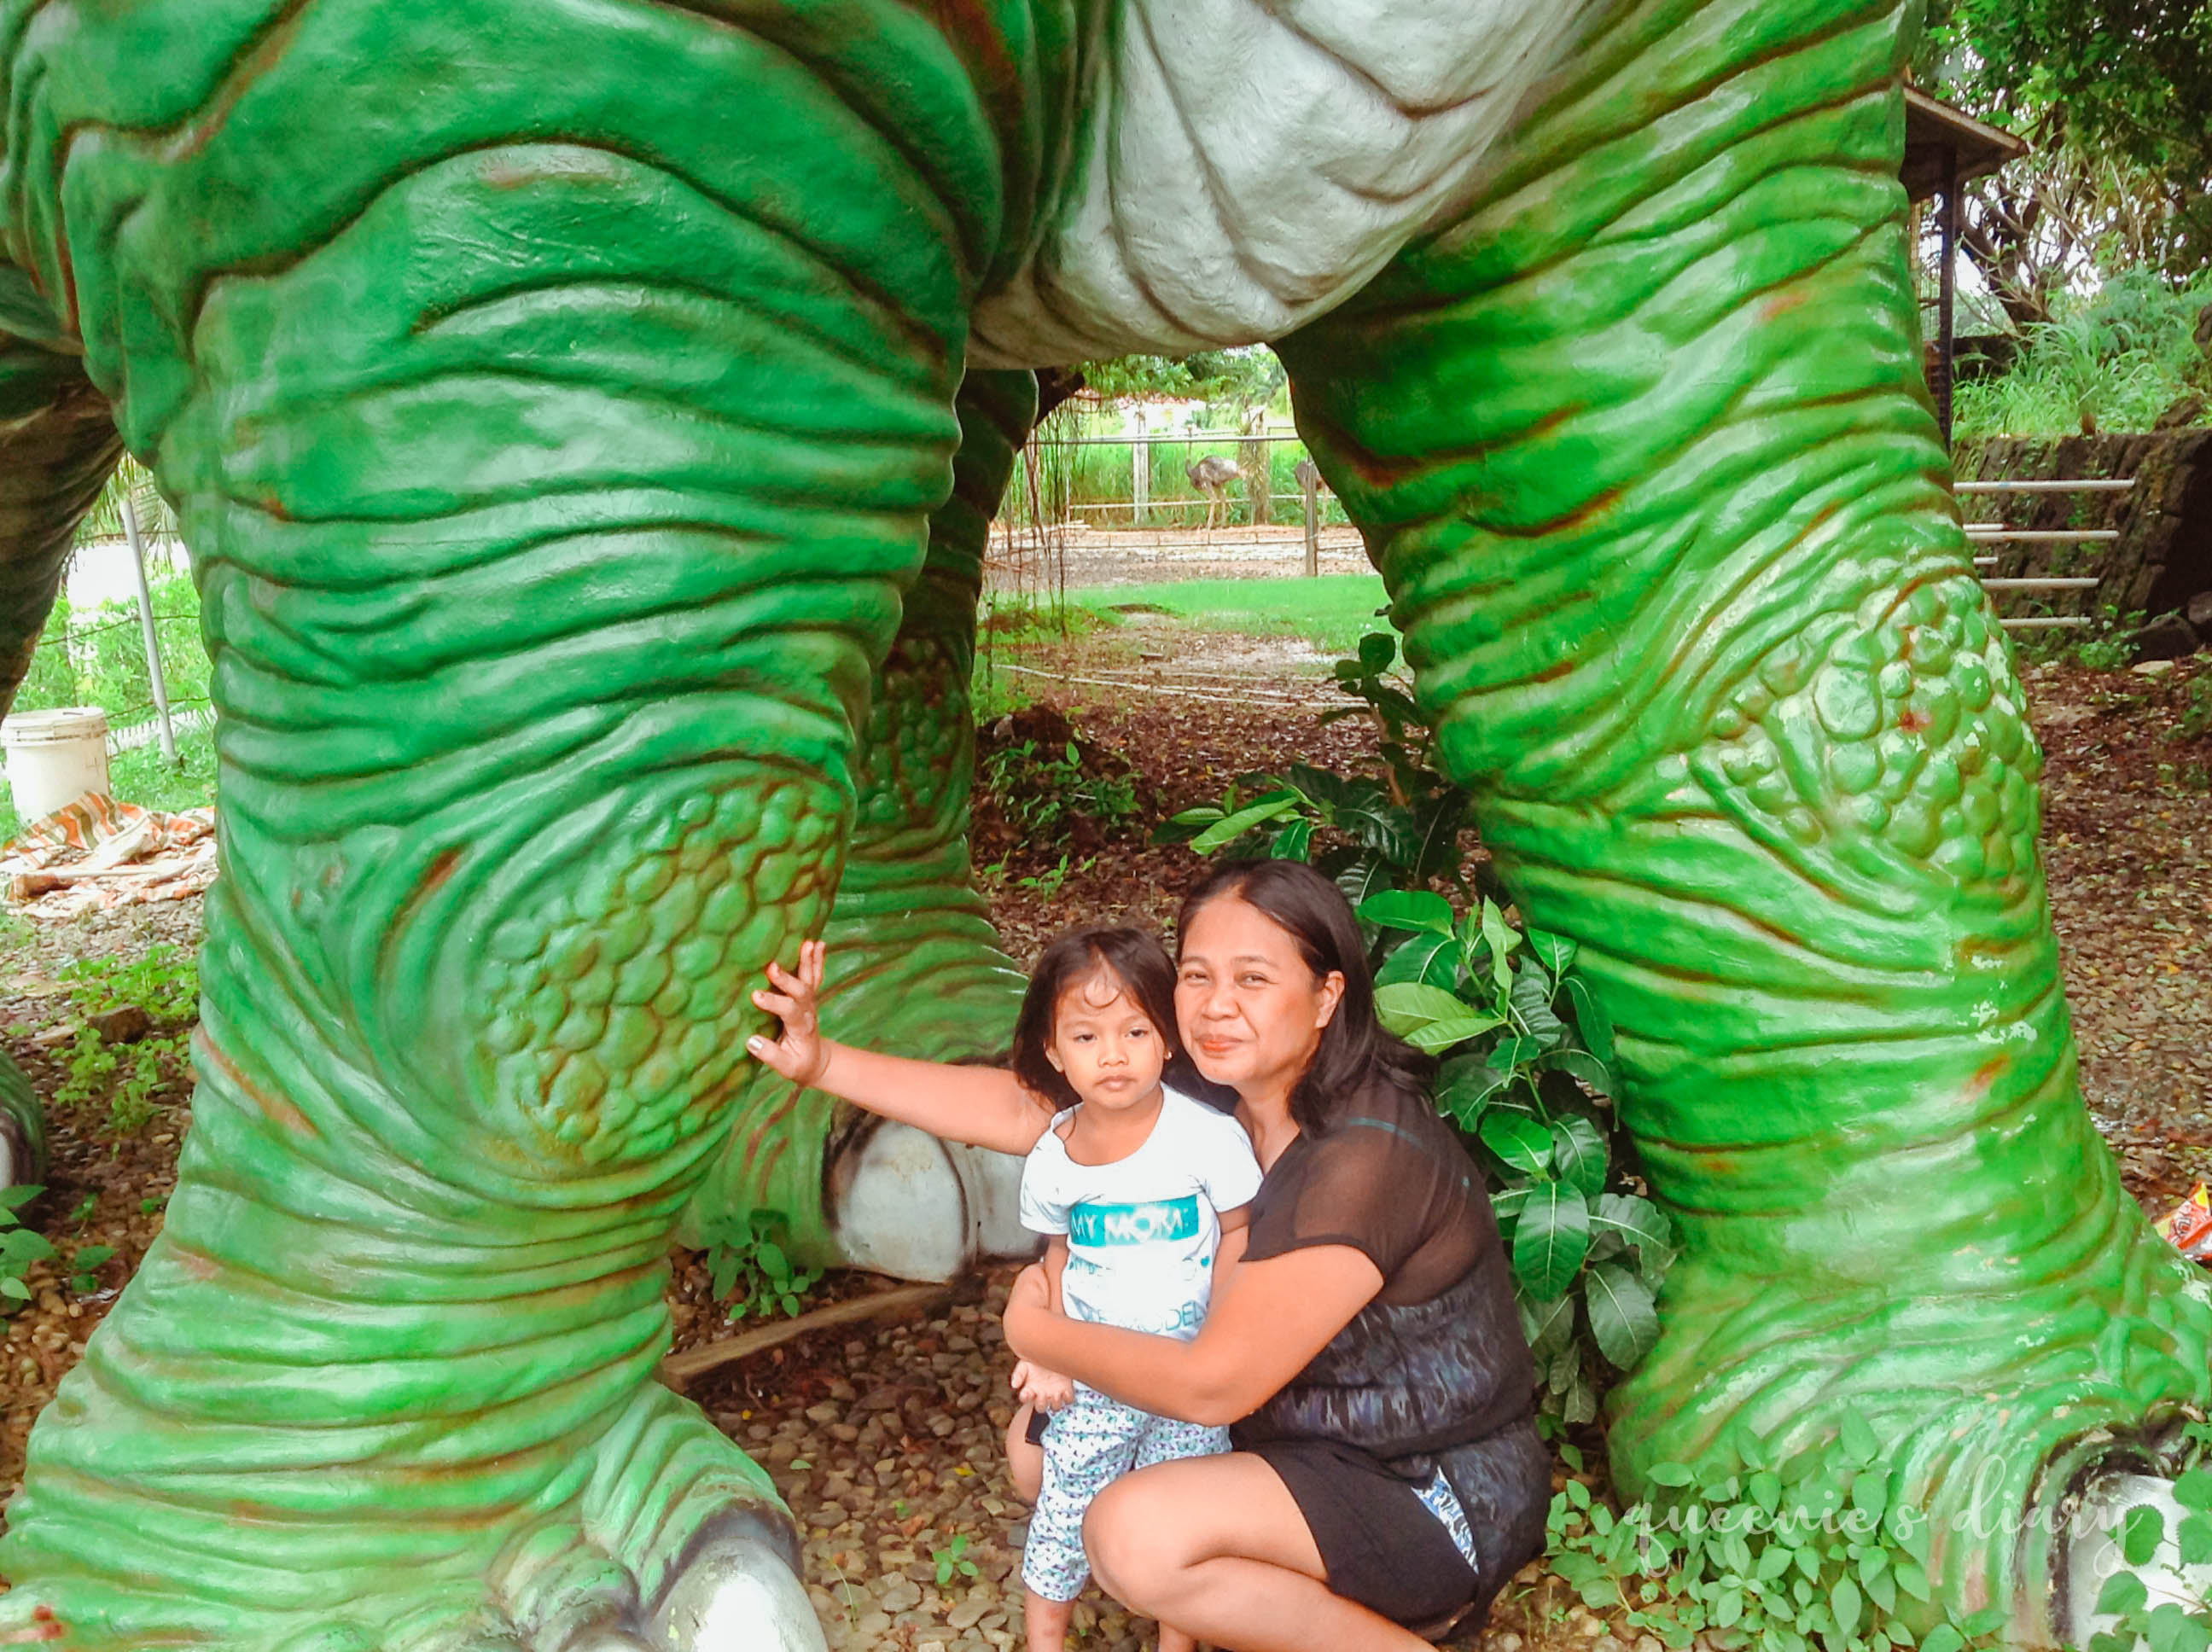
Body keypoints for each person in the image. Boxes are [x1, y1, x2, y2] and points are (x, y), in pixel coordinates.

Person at [997, 860, 1549, 1651]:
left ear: (1326, 997)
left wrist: (1036, 1332)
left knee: (1130, 1535)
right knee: (1038, 1453)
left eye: (1252, 979)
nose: (1217, 1005)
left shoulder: (1367, 1154)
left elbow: (1211, 1385)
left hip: (1428, 1486)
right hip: (1294, 1444)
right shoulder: (1228, 1091)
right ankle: (1271, 1596)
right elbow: (1029, 1110)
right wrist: (827, 1065)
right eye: (1197, 976)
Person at [748, 926, 1262, 1652]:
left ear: (1166, 1037)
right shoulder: (1060, 1148)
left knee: (1187, 1510)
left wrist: (1226, 1342)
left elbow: (1238, 1233)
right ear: (1054, 1050)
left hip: (1193, 1377)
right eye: (1086, 1037)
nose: (1113, 1055)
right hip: (1100, 1374)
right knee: (1056, 1498)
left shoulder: (1207, 1136)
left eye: (1134, 1031)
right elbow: (1057, 1248)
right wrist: (820, 1061)